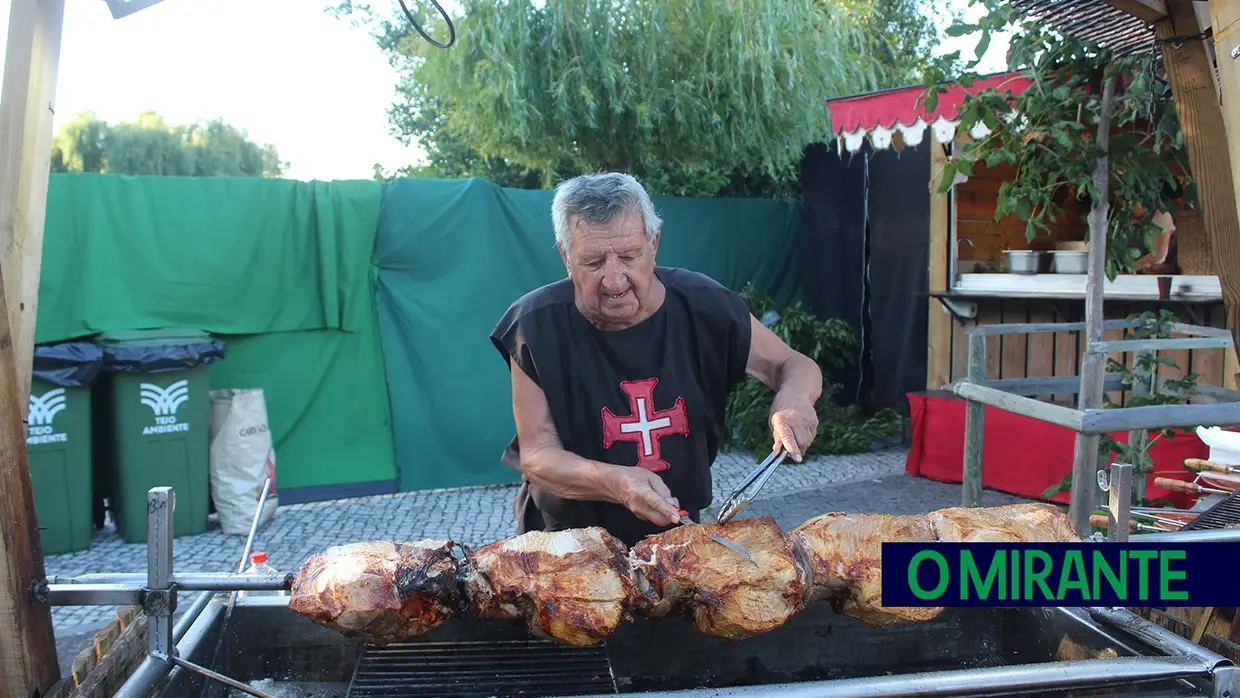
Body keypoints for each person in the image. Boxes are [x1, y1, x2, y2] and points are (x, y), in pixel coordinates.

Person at [489, 172, 824, 547]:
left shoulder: (705, 307)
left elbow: (794, 365)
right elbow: (537, 455)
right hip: (568, 545)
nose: (615, 280)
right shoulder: (534, 326)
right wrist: (615, 481)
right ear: (566, 257)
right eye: (593, 262)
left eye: (629, 256)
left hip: (678, 536)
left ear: (654, 243)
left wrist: (793, 400)